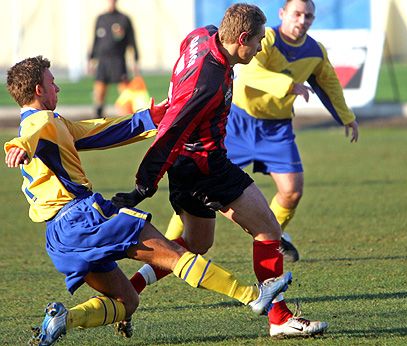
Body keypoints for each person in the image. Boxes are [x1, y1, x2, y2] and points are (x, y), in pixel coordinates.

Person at [3, 56, 293, 346]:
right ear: (39, 90)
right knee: (174, 254)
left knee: (127, 301)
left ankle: (64, 319)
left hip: (59, 237)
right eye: (52, 82)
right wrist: (18, 146)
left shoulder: (54, 124)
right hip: (81, 218)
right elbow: (29, 134)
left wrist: (152, 117)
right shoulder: (40, 122)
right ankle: (254, 296)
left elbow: (101, 130)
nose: (57, 88)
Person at [112, 3, 328, 338]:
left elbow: (184, 69)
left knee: (195, 245)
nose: (259, 49)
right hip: (206, 167)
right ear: (241, 38)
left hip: (189, 168)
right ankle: (280, 318)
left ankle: (128, 292)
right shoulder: (208, 82)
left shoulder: (201, 36)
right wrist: (142, 188)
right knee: (268, 229)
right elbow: (170, 132)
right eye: (256, 42)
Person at [163, 0, 359, 263]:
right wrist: (289, 85)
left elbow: (329, 82)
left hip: (276, 128)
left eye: (309, 16)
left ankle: (273, 238)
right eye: (297, 14)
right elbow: (251, 74)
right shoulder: (264, 39)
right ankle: (168, 245)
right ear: (283, 14)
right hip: (239, 123)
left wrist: (346, 117)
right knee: (195, 190)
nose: (302, 20)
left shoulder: (315, 51)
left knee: (292, 190)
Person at [88, 0, 139, 118]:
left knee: (125, 92)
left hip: (118, 60)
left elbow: (132, 40)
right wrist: (91, 58)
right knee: (99, 91)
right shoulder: (101, 18)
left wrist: (135, 59)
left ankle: (129, 119)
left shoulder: (124, 19)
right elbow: (95, 41)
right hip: (103, 60)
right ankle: (98, 118)